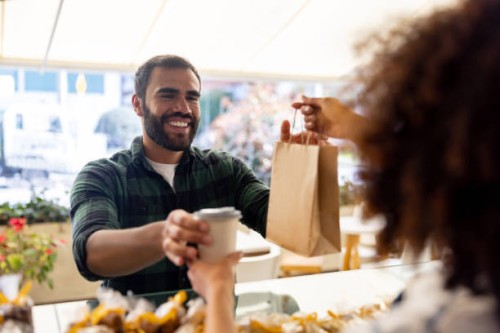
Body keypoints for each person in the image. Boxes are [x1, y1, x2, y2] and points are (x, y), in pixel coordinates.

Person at [186, 0, 500, 332]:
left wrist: (218, 289)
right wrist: (352, 128)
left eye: (405, 127)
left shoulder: (449, 315)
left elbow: (286, 225)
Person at [71, 55, 274, 295]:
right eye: (167, 95)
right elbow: (91, 254)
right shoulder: (102, 176)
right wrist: (164, 235)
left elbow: (284, 224)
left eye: (192, 97)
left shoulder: (225, 170)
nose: (184, 108)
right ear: (137, 104)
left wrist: (310, 159)